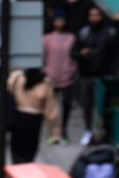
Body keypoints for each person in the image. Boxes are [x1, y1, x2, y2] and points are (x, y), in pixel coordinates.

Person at [72, 5, 115, 145]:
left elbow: (115, 55)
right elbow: (73, 53)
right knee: (87, 106)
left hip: (103, 76)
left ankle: (101, 133)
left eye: (97, 15)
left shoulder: (109, 33)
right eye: (92, 15)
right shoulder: (84, 32)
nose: (95, 18)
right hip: (86, 75)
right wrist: (81, 53)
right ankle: (88, 131)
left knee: (101, 106)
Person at [6, 67, 61, 164]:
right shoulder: (45, 83)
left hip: (19, 118)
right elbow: (51, 110)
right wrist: (55, 132)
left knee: (17, 150)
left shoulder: (18, 77)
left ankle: (17, 172)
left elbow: (9, 85)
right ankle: (25, 173)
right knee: (30, 152)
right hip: (35, 120)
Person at [42, 10, 78, 142]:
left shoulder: (71, 38)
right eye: (57, 20)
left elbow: (74, 56)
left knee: (67, 104)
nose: (60, 22)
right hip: (50, 77)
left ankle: (64, 130)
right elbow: (43, 57)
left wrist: (71, 70)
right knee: (51, 107)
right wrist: (46, 71)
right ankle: (53, 132)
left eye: (62, 20)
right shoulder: (47, 39)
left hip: (67, 77)